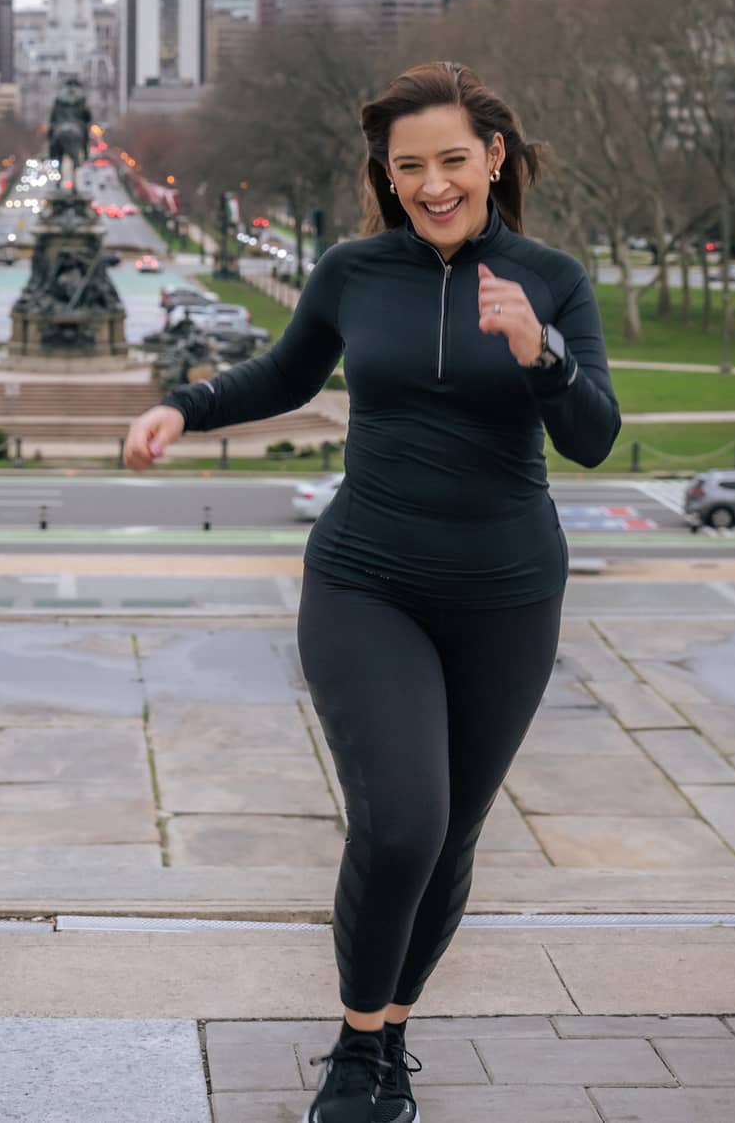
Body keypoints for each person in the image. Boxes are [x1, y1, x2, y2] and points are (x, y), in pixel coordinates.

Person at [124, 63, 619, 1123]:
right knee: (400, 822)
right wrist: (182, 407)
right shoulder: (354, 271)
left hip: (508, 594)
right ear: (386, 177)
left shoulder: (552, 278)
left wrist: (543, 353)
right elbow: (283, 375)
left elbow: (593, 438)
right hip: (366, 581)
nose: (432, 184)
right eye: (409, 167)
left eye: (451, 160)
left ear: (493, 157)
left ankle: (392, 1034)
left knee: (448, 840)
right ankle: (355, 1049)